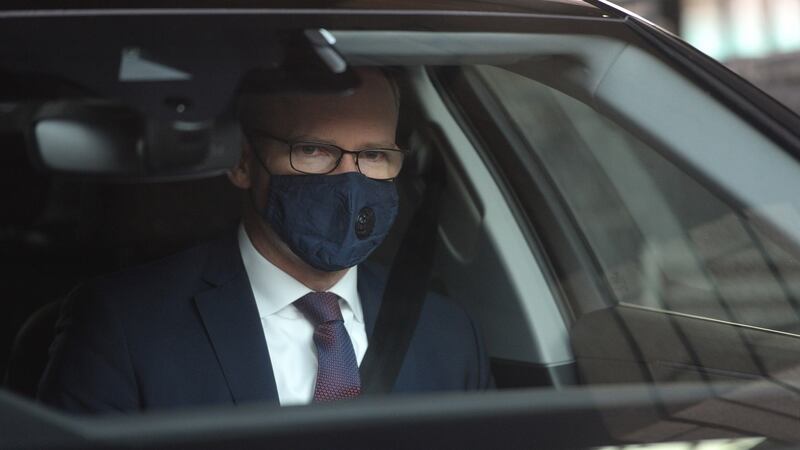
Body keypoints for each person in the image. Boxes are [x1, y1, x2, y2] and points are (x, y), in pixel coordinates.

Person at [37, 68, 491, 413]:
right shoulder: (124, 325)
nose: (350, 179)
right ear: (243, 163)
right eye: (313, 150)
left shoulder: (447, 334)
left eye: (373, 155)